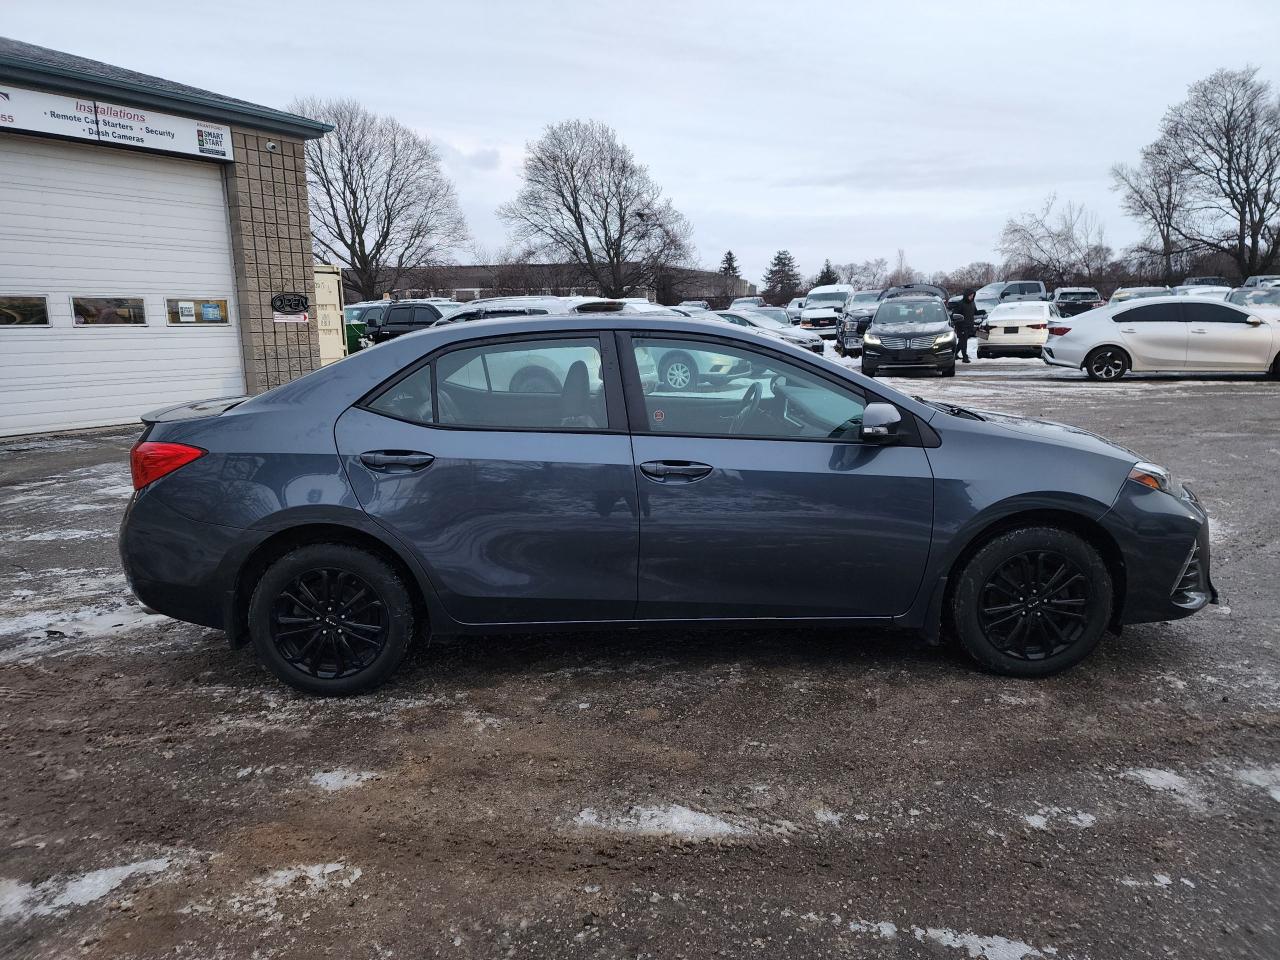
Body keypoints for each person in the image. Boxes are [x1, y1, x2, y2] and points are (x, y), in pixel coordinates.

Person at [954, 288, 978, 363]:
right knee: (963, 342)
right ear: (966, 295)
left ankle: (954, 354)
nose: (971, 297)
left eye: (973, 296)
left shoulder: (972, 303)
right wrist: (958, 325)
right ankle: (965, 357)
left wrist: (981, 312)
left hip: (969, 325)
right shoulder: (961, 304)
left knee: (962, 342)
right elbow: (955, 315)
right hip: (962, 326)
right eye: (970, 296)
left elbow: (975, 312)